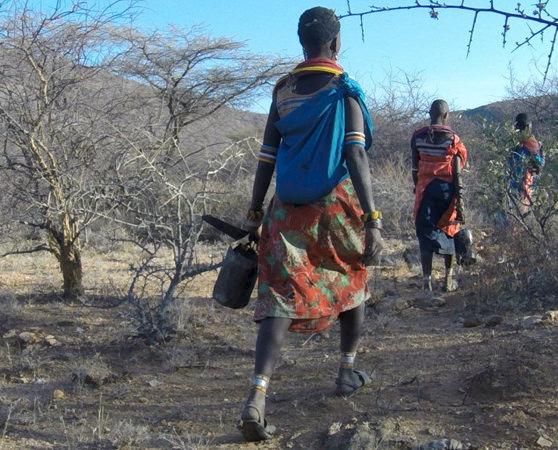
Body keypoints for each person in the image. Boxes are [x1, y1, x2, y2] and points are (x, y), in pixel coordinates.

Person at [238, 6, 383, 442]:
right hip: (334, 207)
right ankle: (346, 371)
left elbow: (267, 155)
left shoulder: (283, 90)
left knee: (280, 297)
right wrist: (372, 219)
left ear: (302, 43)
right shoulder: (345, 90)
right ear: (336, 44)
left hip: (286, 210)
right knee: (353, 278)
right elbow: (355, 154)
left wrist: (254, 212)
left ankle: (257, 397)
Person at [412, 100, 468, 296]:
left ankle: (426, 283)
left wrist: (417, 189)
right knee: (449, 230)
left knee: (425, 233)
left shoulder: (417, 136)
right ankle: (448, 279)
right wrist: (459, 201)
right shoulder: (453, 140)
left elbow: (415, 168)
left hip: (424, 190)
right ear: (446, 115)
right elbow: (458, 173)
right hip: (446, 191)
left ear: (429, 113)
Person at [508, 113, 544, 217]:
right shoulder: (532, 144)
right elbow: (539, 165)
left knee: (517, 217)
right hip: (525, 187)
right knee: (524, 217)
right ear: (528, 126)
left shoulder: (514, 144)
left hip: (516, 186)